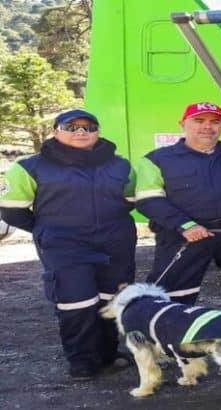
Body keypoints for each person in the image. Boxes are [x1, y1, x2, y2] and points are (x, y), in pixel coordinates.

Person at [0, 109, 136, 381]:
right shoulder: (30, 167)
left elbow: (130, 200)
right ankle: (82, 360)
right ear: (55, 131)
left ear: (97, 131)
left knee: (112, 298)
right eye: (71, 126)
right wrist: (49, 229)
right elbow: (12, 210)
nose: (81, 132)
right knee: (76, 302)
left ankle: (109, 353)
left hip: (115, 242)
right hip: (64, 246)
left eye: (88, 126)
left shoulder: (121, 165)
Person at [134, 102, 221, 319]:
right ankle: (175, 344)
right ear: (183, 124)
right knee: (175, 293)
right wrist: (185, 225)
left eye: (215, 122)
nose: (207, 127)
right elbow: (148, 200)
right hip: (184, 235)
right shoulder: (156, 159)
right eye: (199, 121)